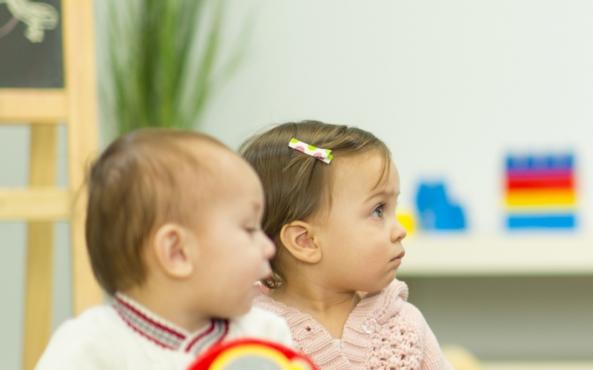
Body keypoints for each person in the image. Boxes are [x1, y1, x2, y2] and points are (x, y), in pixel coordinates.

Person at [36, 130, 294, 369]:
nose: (269, 247)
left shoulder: (265, 337)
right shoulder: (89, 345)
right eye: (249, 229)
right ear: (177, 252)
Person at [242, 121, 451, 369]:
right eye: (378, 210)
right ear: (306, 241)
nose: (400, 230)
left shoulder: (406, 325)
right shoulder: (253, 332)